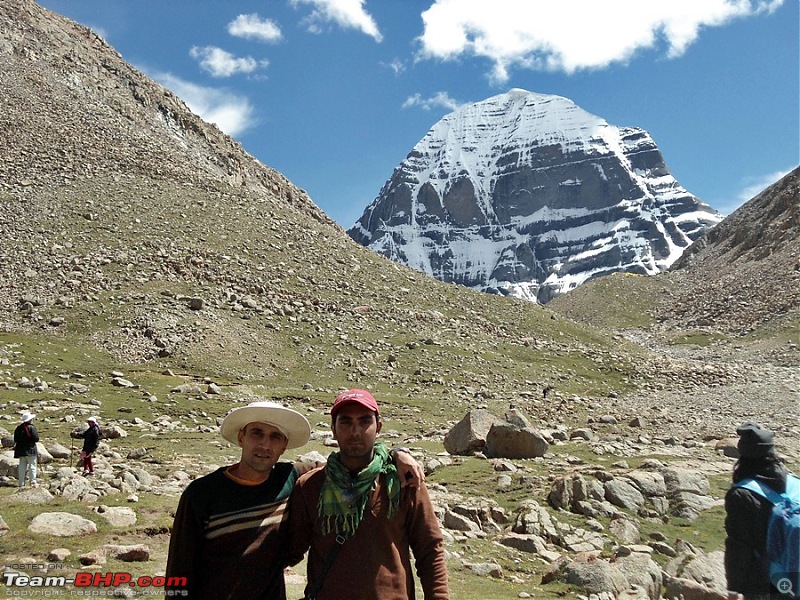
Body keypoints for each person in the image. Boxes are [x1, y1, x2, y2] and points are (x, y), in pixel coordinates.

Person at [165, 400, 424, 600]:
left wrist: (396, 454)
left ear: (284, 445)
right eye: (257, 433)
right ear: (241, 437)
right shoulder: (201, 494)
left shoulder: (292, 478)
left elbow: (349, 462)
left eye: (275, 437)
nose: (265, 445)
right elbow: (178, 571)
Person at [287, 389, 449, 600]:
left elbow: (430, 550)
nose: (355, 431)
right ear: (333, 429)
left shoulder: (403, 481)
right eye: (345, 422)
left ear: (378, 427)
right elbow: (289, 551)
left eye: (364, 421)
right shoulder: (311, 486)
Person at [725, 422, 794, 599]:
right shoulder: (795, 484)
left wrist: (735, 588)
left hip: (763, 581)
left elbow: (739, 547)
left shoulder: (742, 494)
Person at [13, 412, 39, 488]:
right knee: (32, 466)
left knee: (22, 467)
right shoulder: (31, 427)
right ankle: (33, 482)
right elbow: (36, 438)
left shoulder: (18, 428)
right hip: (30, 450)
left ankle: (21, 483)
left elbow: (15, 439)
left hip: (21, 450)